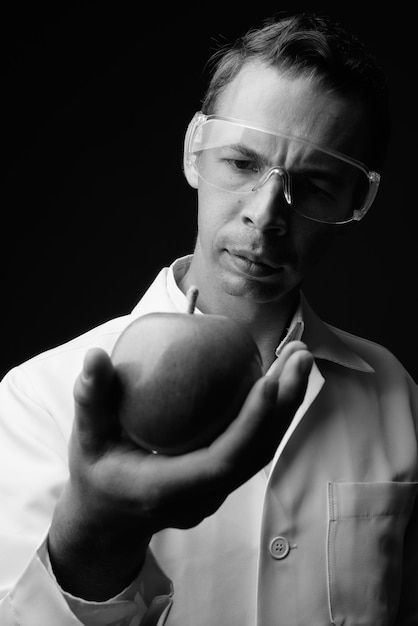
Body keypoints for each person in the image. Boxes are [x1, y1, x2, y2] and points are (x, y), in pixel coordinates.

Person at [0, 10, 417, 626]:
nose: (267, 214)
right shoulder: (41, 398)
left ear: (357, 203)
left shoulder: (394, 396)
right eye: (243, 163)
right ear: (196, 152)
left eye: (318, 184)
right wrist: (96, 532)